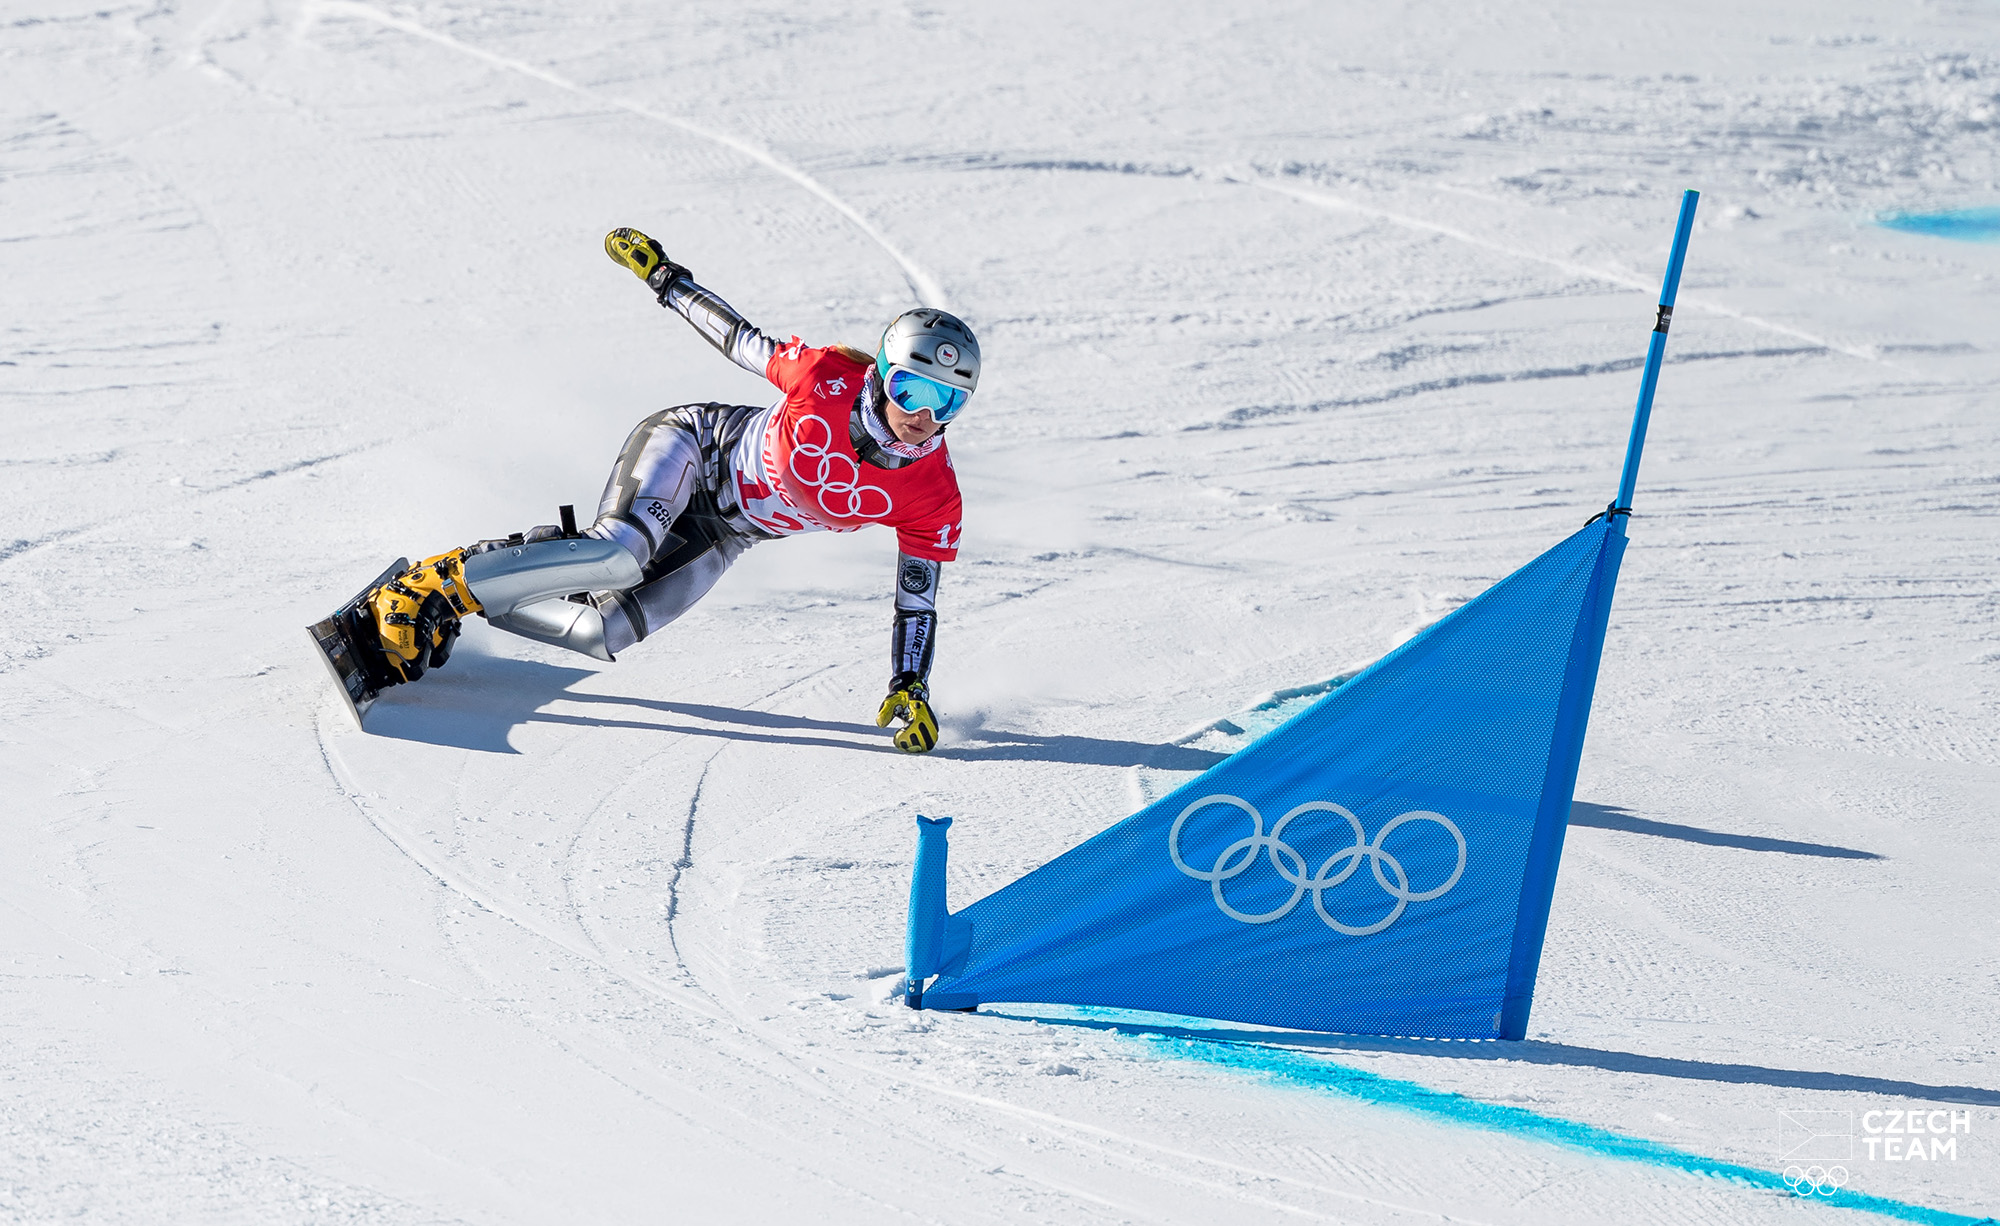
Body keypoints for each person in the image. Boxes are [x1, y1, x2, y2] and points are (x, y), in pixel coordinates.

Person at [343, 227, 978, 753]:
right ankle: (435, 582)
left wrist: (909, 684)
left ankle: (469, 599)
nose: (923, 415)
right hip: (694, 447)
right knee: (617, 555)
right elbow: (739, 339)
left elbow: (916, 602)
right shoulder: (824, 376)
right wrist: (666, 278)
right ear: (883, 375)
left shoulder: (934, 494)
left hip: (727, 532)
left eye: (947, 400)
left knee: (599, 631)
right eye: (911, 389)